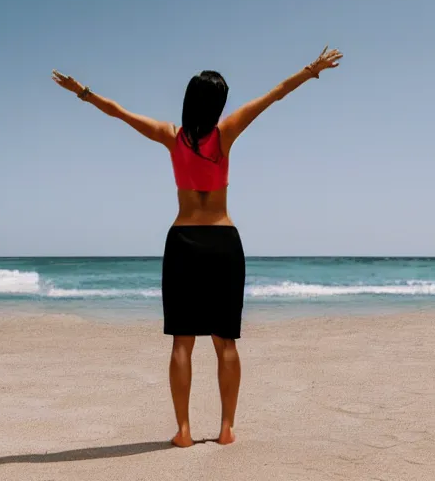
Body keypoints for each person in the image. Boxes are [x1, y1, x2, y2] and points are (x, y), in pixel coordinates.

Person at [52, 45, 343, 447]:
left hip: (184, 241)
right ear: (218, 105)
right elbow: (275, 94)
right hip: (223, 241)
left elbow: (118, 112)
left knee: (183, 341)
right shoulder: (228, 132)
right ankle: (226, 429)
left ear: (189, 101)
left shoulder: (171, 137)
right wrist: (311, 70)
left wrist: (82, 91)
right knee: (225, 341)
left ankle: (184, 431)